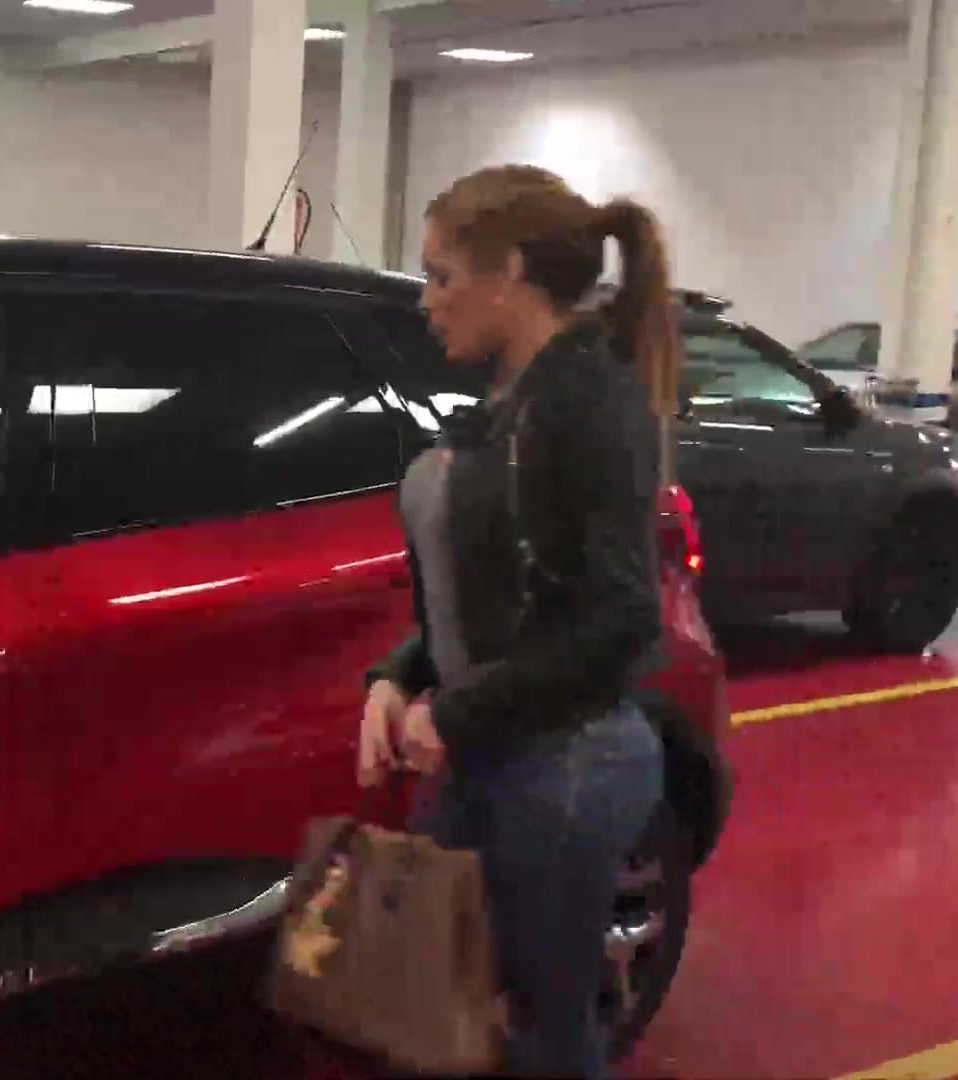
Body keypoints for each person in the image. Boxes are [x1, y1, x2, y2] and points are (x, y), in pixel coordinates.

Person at [357, 164, 678, 1079]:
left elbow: (619, 616)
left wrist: (455, 712)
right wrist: (398, 678)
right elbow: (492, 602)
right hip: (497, 751)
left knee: (546, 1038)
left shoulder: (588, 404)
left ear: (511, 275)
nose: (427, 301)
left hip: (565, 764)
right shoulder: (514, 400)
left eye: (442, 275)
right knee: (443, 1005)